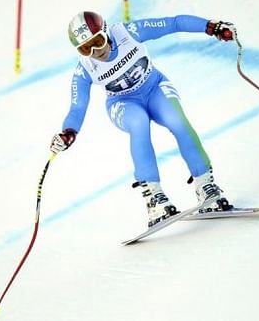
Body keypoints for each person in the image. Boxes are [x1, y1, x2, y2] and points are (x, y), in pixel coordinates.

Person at [50, 12, 236, 227]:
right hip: (123, 104)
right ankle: (154, 198)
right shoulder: (85, 68)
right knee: (138, 123)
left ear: (107, 32)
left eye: (98, 42)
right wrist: (68, 132)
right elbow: (78, 106)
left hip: (154, 87)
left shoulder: (128, 33)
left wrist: (210, 27)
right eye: (85, 48)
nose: (95, 52)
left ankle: (205, 185)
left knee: (177, 120)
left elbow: (172, 23)